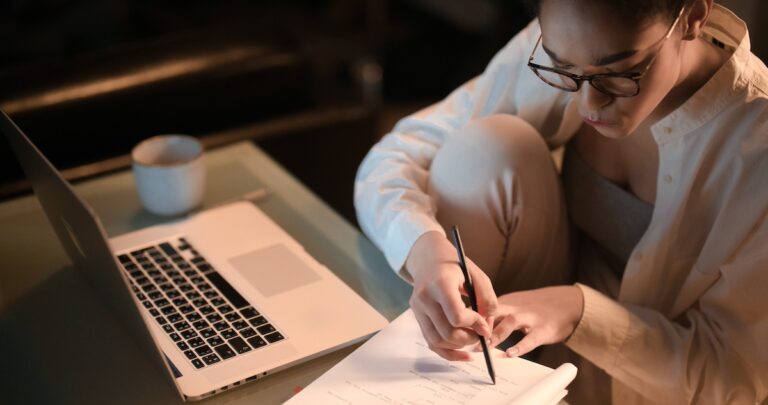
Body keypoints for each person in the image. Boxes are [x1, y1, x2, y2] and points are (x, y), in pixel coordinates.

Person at [354, 0, 768, 403]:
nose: (588, 103)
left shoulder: (757, 147)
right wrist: (429, 253)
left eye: (618, 74)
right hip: (516, 338)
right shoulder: (569, 39)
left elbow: (736, 379)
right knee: (489, 149)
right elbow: (394, 157)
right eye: (563, 69)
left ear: (693, 15)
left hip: (647, 384)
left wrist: (580, 311)